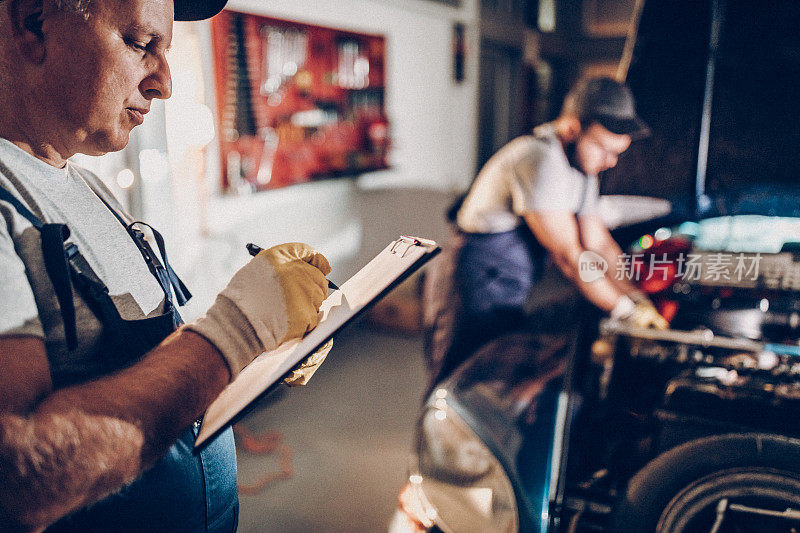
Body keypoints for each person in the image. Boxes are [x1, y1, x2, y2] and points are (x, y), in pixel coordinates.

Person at [0, 0, 333, 530]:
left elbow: (147, 367)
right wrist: (236, 332)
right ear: (34, 24)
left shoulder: (84, 186)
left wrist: (264, 346)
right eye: (140, 44)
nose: (165, 84)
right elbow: (16, 474)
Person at [424, 76, 668, 387]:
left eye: (617, 153)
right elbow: (570, 257)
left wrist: (637, 298)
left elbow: (599, 242)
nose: (611, 161)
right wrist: (622, 309)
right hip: (470, 283)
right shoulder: (540, 158)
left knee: (494, 379)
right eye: (603, 149)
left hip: (505, 284)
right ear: (571, 128)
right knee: (457, 381)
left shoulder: (582, 168)